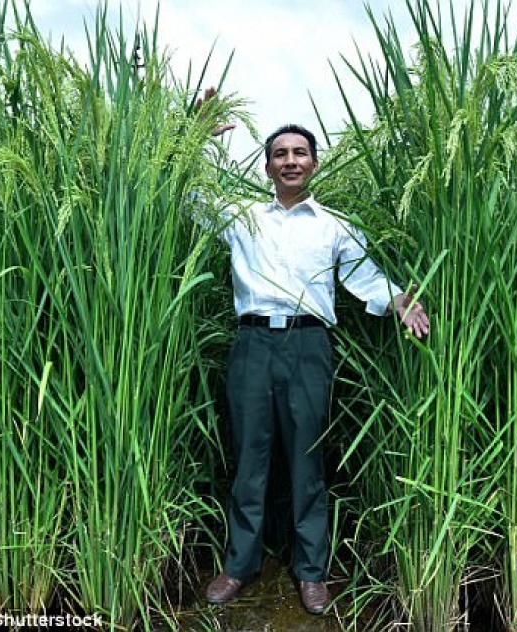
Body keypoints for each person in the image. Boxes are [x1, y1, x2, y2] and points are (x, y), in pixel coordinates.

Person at [199, 106, 430, 615]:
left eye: (300, 153)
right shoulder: (242, 216)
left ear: (314, 163)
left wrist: (399, 299)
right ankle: (239, 566)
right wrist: (195, 137)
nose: (290, 160)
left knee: (308, 459)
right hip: (252, 344)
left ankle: (311, 573)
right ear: (267, 167)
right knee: (249, 459)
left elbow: (366, 278)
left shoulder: (335, 226)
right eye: (280, 154)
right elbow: (191, 198)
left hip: (309, 346)